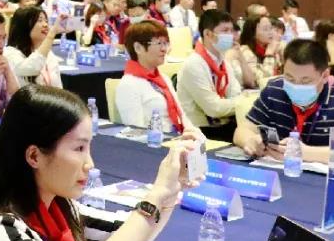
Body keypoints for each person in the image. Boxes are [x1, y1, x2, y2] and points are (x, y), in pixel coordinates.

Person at [0, 85, 196, 241]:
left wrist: (171, 189)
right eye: (79, 148)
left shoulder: (60, 209)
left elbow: (134, 233)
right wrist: (155, 196)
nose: (89, 164)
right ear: (34, 156)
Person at [235, 38, 334, 164]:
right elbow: (242, 130)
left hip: (324, 176)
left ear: (325, 76)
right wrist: (251, 141)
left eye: (305, 81)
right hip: (278, 170)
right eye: (290, 78)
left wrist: (304, 153)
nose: (296, 86)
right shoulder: (274, 89)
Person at [116, 20, 199, 135]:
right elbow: (136, 133)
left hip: (179, 138)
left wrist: (194, 134)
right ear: (138, 48)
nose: (164, 49)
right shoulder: (129, 85)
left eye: (166, 43)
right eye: (159, 43)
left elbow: (182, 115)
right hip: (157, 142)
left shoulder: (163, 78)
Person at [176, 9, 244, 142]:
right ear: (208, 34)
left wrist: (240, 101)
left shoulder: (222, 61)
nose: (230, 35)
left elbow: (236, 94)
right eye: (225, 31)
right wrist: (244, 103)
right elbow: (214, 109)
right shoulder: (194, 64)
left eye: (231, 30)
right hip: (200, 131)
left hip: (223, 125)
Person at [4, 6, 65, 89]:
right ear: (24, 25)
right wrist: (52, 33)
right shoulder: (10, 53)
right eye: (40, 20)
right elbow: (32, 68)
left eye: (46, 21)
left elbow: (59, 88)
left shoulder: (49, 54)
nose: (45, 25)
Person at [236, 15, 274, 89]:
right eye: (265, 29)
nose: (270, 32)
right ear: (253, 33)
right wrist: (269, 55)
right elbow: (263, 81)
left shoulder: (272, 46)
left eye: (271, 28)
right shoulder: (245, 52)